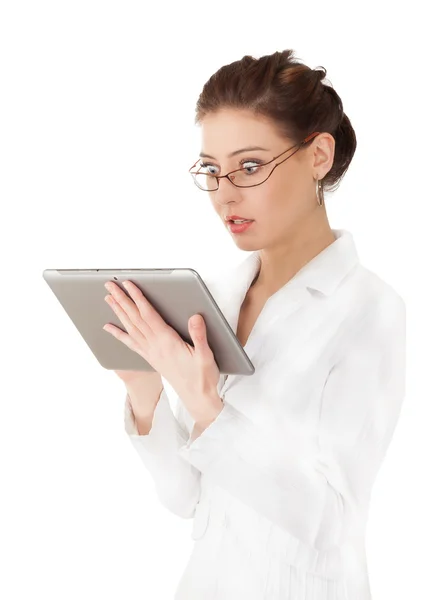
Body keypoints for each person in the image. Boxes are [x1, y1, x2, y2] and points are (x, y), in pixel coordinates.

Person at [112, 49, 406, 599]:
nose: (225, 194)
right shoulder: (217, 297)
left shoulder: (369, 310)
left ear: (318, 155)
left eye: (249, 166)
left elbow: (333, 522)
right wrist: (147, 394)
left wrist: (207, 406)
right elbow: (189, 501)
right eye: (211, 170)